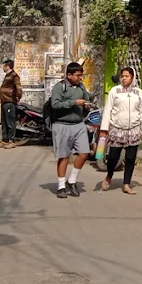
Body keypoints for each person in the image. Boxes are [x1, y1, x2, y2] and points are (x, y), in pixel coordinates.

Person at [100, 67, 142, 194]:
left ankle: (126, 184)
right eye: (123, 76)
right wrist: (104, 129)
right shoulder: (115, 91)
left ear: (132, 77)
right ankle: (109, 176)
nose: (124, 78)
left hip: (133, 130)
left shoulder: (139, 93)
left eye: (127, 76)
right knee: (113, 158)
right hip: (117, 130)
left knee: (131, 158)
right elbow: (108, 110)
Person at [48, 62, 93, 199]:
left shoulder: (81, 86)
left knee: (84, 153)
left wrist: (86, 105)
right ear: (69, 75)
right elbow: (55, 104)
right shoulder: (59, 87)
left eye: (81, 75)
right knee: (64, 156)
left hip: (78, 124)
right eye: (78, 75)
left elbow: (86, 99)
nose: (80, 78)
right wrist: (74, 103)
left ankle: (72, 181)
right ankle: (61, 186)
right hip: (62, 125)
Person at [0, 59, 22, 149]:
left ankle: (12, 141)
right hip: (4, 102)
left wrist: (18, 96)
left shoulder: (14, 75)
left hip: (9, 102)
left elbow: (18, 87)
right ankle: (5, 141)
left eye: (4, 65)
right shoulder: (7, 75)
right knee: (4, 122)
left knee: (10, 122)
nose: (3, 67)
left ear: (7, 66)